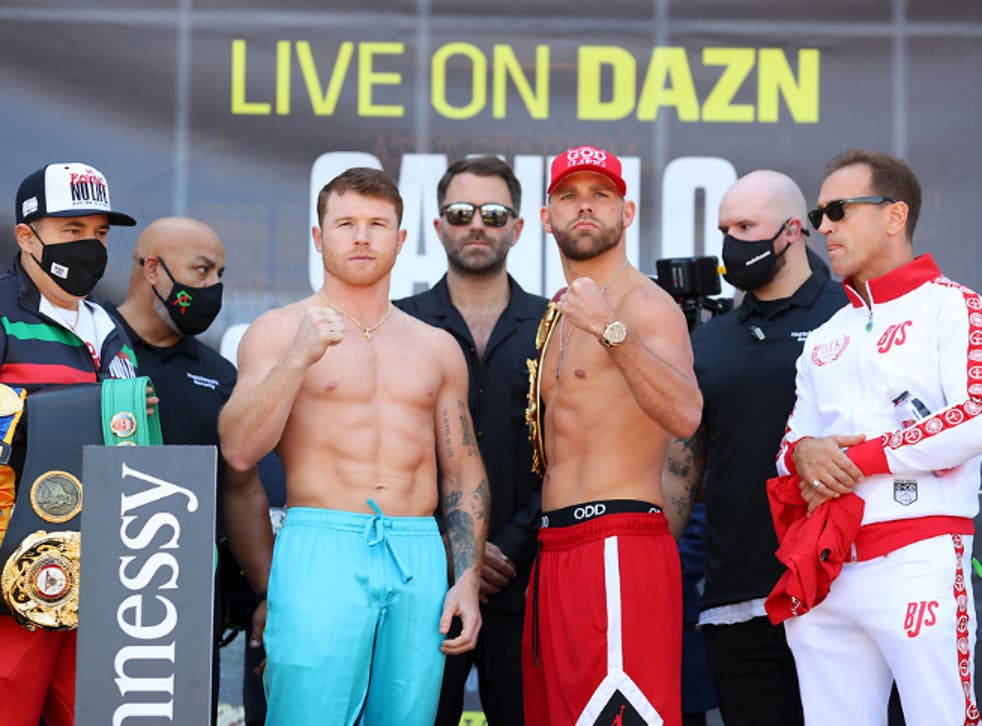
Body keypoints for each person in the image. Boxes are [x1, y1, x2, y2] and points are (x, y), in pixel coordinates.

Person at [218, 167, 487, 725]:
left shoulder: (436, 346)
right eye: (345, 224)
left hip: (418, 552)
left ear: (401, 239)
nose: (362, 237)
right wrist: (297, 359)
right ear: (318, 237)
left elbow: (462, 474)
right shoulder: (276, 330)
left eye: (377, 224)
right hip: (323, 541)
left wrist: (465, 578)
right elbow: (240, 452)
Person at [775, 149, 982, 724]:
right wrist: (805, 454)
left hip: (919, 555)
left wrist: (863, 458)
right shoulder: (823, 337)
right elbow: (790, 447)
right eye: (819, 216)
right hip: (828, 565)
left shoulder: (957, 308)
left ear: (895, 216)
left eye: (838, 210)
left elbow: (976, 416)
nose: (825, 228)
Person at [521, 145, 702, 726]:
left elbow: (685, 414)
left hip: (617, 545)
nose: (584, 208)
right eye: (569, 196)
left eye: (601, 196)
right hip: (555, 552)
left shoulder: (646, 305)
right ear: (547, 216)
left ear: (626, 214)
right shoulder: (555, 314)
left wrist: (610, 329)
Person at [662, 170, 845, 726]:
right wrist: (654, 557)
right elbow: (682, 470)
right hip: (736, 596)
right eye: (724, 228)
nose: (731, 243)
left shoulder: (851, 314)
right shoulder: (709, 341)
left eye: (746, 226)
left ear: (793, 231)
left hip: (841, 589)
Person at [394, 156, 546, 725]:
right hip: (424, 586)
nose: (476, 224)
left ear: (518, 226)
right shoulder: (399, 325)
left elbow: (568, 450)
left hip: (527, 581)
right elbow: (392, 452)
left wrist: (505, 544)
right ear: (438, 227)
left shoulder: (555, 325)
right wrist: (457, 551)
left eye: (493, 212)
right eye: (460, 212)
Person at [104, 216, 273, 722]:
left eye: (219, 273)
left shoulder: (219, 376)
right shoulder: (90, 349)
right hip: (86, 602)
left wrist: (268, 593)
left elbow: (241, 491)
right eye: (201, 271)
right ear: (152, 269)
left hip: (187, 610)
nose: (213, 288)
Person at [0, 162, 139, 726]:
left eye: (101, 233)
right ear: (26, 236)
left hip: (107, 571)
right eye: (72, 229)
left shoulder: (108, 324)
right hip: (13, 570)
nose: (91, 246)